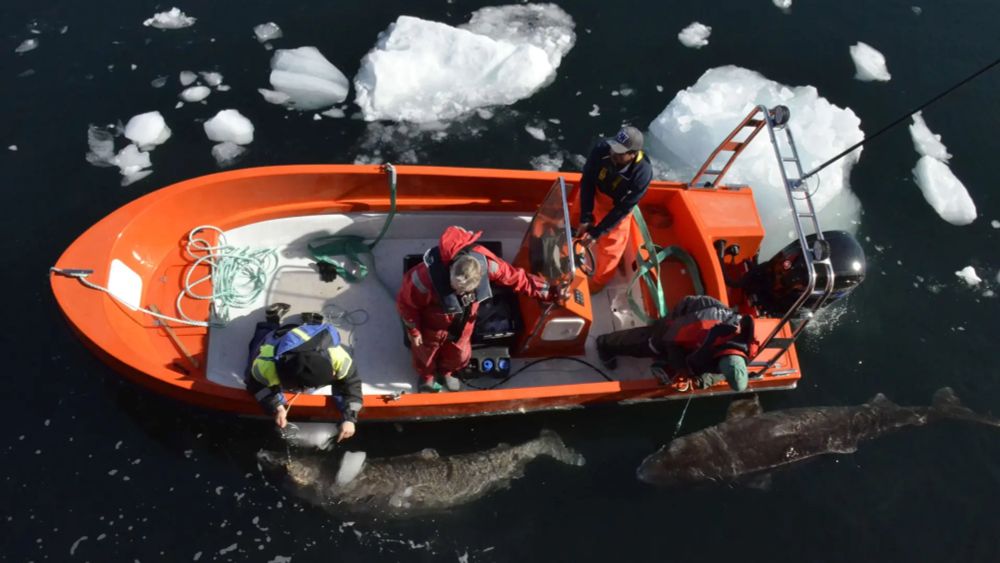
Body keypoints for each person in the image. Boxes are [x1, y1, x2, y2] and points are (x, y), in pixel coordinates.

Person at [398, 226, 560, 392]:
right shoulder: (422, 278)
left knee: (459, 354)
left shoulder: (489, 266)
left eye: (464, 291)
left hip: (464, 324)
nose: (459, 293)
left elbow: (516, 277)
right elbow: (406, 305)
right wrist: (414, 331)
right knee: (425, 355)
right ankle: (427, 377)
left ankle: (447, 372)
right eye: (456, 288)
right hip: (431, 325)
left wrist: (547, 291)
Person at [244, 303, 363, 441]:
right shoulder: (266, 366)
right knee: (258, 345)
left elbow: (351, 383)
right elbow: (254, 384)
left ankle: (312, 322)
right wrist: (277, 406)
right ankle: (272, 321)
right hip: (281, 338)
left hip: (314, 337)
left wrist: (349, 418)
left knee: (313, 332)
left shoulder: (339, 358)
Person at [595, 295, 756, 391]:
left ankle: (667, 364)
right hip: (685, 317)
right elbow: (670, 338)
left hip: (699, 338)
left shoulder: (741, 349)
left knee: (678, 358)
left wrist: (700, 380)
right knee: (652, 343)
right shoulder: (701, 325)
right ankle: (604, 344)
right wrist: (682, 370)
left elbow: (720, 372)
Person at [576, 125, 654, 289]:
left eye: (620, 152)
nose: (613, 153)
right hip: (595, 192)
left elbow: (623, 208)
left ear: (633, 154)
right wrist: (586, 215)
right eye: (613, 147)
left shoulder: (642, 174)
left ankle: (599, 281)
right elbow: (587, 181)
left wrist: (597, 232)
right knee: (575, 221)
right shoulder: (601, 149)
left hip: (616, 205)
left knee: (612, 244)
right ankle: (568, 252)